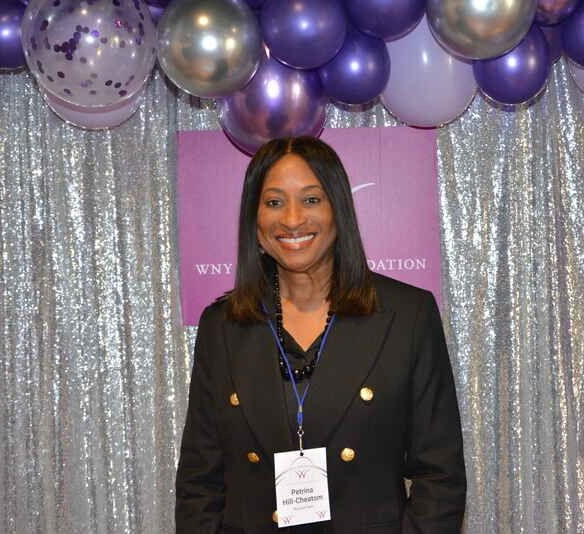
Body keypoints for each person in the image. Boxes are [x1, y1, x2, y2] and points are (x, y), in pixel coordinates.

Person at [175, 136, 466, 533]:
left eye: (311, 199)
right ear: (254, 219)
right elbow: (199, 482)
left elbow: (440, 477)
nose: (292, 219)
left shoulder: (408, 315)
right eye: (274, 202)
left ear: (338, 209)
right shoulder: (222, 325)